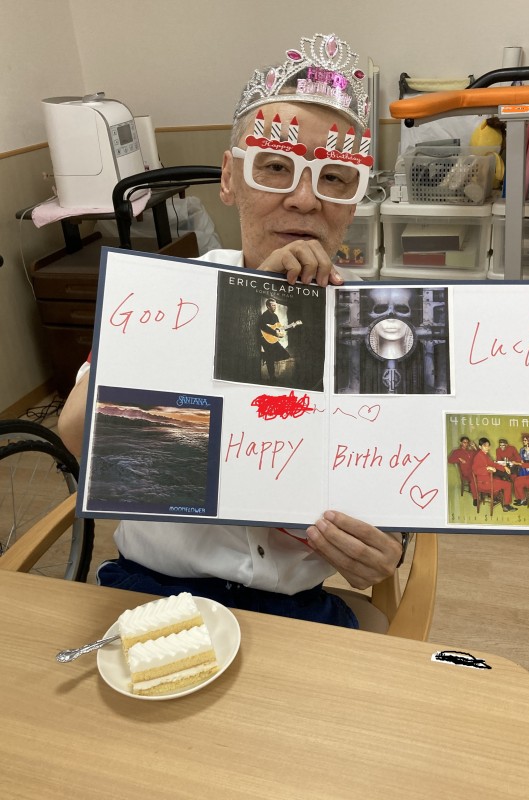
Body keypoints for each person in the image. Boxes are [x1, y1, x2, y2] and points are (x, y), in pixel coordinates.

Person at [58, 32, 403, 629]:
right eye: (275, 167)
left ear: (354, 202)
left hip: (298, 608)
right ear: (229, 178)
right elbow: (75, 430)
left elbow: (392, 478)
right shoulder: (163, 297)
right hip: (152, 589)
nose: (304, 200)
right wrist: (241, 307)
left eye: (335, 178)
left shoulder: (380, 332)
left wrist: (383, 546)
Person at [471, 438, 516, 512]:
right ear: (480, 447)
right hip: (484, 484)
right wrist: (487, 468)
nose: (487, 448)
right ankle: (506, 505)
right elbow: (475, 470)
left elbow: (493, 464)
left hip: (485, 482)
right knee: (508, 485)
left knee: (498, 479)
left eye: (488, 446)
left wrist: (504, 467)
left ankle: (496, 498)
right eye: (485, 446)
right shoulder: (478, 457)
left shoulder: (484, 455)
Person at [259, 298, 291, 382]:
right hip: (265, 339)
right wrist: (275, 333)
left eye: (275, 305)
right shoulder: (264, 316)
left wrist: (289, 327)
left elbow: (279, 327)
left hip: (272, 339)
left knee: (285, 354)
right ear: (268, 306)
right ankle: (272, 377)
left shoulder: (275, 316)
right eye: (273, 305)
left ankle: (265, 356)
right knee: (270, 359)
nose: (275, 307)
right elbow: (263, 327)